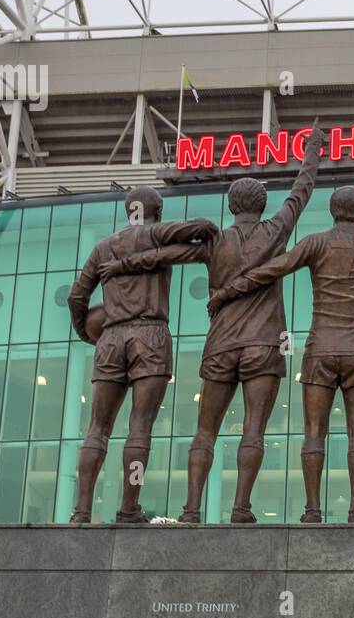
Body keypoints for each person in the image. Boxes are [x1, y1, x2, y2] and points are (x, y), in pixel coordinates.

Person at [97, 125, 323, 523]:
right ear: (261, 203)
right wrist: (313, 151)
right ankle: (241, 508)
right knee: (253, 430)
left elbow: (162, 255)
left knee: (206, 432)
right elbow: (301, 191)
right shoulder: (276, 230)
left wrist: (120, 264)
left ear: (233, 206)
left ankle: (191, 509)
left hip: (220, 345)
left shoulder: (215, 242)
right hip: (263, 346)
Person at [211, 185, 354, 523]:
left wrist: (227, 292)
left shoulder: (315, 242)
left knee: (313, 433)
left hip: (321, 348)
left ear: (334, 211)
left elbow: (271, 270)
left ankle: (312, 510)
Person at [66, 188, 218, 523]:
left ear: (127, 210)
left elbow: (76, 297)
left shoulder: (102, 247)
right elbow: (204, 227)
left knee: (96, 429)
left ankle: (81, 511)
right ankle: (128, 507)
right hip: (149, 334)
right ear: (158, 211)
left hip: (110, 336)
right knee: (140, 427)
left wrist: (87, 333)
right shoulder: (155, 233)